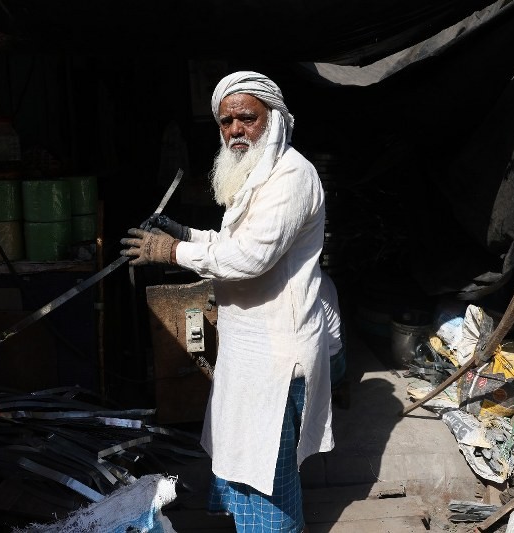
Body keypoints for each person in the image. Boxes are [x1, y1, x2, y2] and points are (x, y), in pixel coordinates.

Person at [121, 71, 333, 532]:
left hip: (277, 357)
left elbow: (251, 257)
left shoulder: (292, 176)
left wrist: (171, 251)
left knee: (266, 478)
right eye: (226, 121)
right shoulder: (260, 172)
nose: (235, 129)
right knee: (245, 463)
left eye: (247, 118)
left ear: (274, 118)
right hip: (249, 352)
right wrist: (188, 235)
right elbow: (234, 241)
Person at [321, 270, 347, 391]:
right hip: (337, 360)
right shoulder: (325, 277)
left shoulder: (307, 282)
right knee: (340, 325)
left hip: (324, 370)